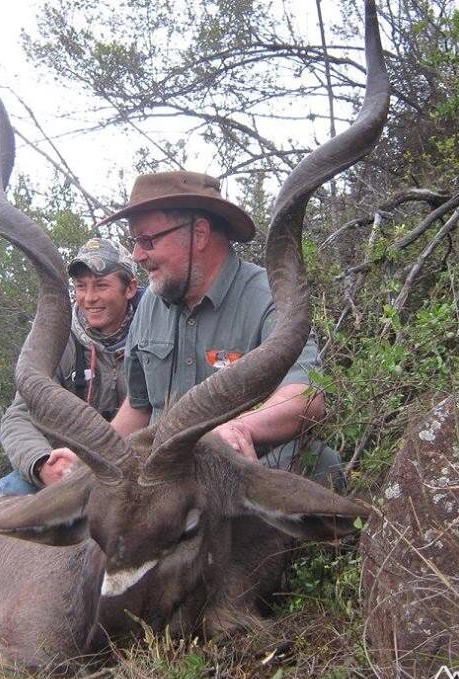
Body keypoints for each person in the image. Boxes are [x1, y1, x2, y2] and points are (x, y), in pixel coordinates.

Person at [101, 170, 342, 480]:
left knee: (324, 465)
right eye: (134, 241)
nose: (137, 255)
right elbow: (139, 408)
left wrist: (240, 428)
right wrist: (91, 454)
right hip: (160, 483)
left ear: (199, 234)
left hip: (237, 477)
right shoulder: (150, 303)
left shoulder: (267, 297)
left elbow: (305, 397)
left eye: (147, 240)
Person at [0, 238, 141, 496]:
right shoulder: (59, 338)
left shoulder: (155, 331)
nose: (89, 298)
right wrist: (42, 463)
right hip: (74, 467)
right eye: (81, 287)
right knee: (13, 490)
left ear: (129, 288)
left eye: (101, 285)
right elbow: (18, 416)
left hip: (140, 463)